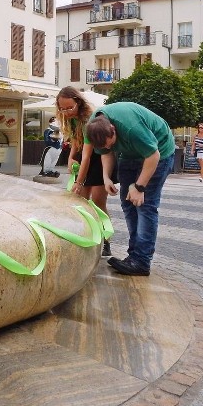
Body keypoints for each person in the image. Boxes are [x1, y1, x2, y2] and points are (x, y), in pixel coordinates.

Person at [84, 102, 174, 277]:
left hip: (159, 153)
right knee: (128, 203)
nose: (108, 147)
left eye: (110, 143)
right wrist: (106, 177)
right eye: (104, 146)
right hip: (130, 154)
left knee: (145, 206)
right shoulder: (94, 129)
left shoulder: (132, 128)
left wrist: (139, 187)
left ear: (113, 129)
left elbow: (152, 155)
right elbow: (106, 153)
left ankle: (141, 261)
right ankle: (133, 255)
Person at [56, 86, 113, 257]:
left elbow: (88, 156)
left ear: (78, 103)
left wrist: (78, 182)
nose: (66, 112)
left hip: (97, 159)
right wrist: (71, 157)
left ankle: (106, 242)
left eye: (70, 107)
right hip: (84, 157)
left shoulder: (90, 119)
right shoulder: (72, 119)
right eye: (62, 108)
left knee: (98, 203)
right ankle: (85, 237)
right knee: (80, 201)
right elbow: (76, 140)